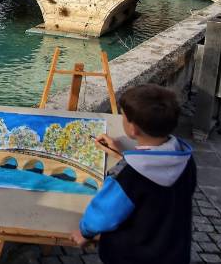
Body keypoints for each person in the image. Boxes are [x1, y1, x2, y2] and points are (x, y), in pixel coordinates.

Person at [70, 84, 196, 264]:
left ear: (133, 129)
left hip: (131, 255)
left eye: (123, 116)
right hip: (173, 253)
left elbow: (105, 213)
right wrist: (121, 156)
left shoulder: (131, 177)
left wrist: (84, 232)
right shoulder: (185, 160)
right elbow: (156, 172)